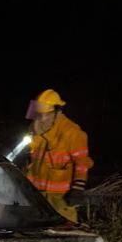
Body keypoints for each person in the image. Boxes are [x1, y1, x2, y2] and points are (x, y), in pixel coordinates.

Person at [24, 89, 93, 223]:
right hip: (36, 193)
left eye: (46, 115)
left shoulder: (72, 133)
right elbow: (32, 157)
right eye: (39, 114)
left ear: (57, 112)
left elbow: (82, 162)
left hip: (61, 195)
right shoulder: (35, 129)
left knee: (66, 228)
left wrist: (77, 189)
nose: (41, 119)